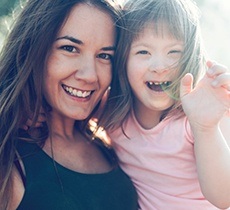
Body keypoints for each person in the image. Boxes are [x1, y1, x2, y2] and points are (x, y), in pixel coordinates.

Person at [0, 0, 139, 210]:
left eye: (104, 56)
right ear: (32, 49)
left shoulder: (110, 141)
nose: (90, 75)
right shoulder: (9, 154)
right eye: (70, 48)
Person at [97, 0, 230, 209]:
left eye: (174, 52)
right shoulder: (112, 112)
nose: (159, 66)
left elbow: (224, 197)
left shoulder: (200, 119)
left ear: (191, 57)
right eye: (143, 52)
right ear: (122, 59)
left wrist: (205, 128)